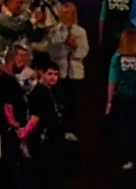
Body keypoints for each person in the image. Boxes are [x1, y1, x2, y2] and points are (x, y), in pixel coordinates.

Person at [106, 27, 136, 171]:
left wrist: (109, 102)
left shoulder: (117, 58)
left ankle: (127, 159)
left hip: (123, 97)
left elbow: (112, 81)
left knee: (125, 128)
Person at [22, 59, 62, 189]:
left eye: (56, 74)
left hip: (47, 139)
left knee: (44, 174)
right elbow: (35, 117)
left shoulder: (48, 92)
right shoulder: (39, 92)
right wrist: (25, 131)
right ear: (42, 74)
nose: (53, 78)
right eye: (50, 74)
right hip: (41, 139)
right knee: (40, 173)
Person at [46, 2, 87, 140]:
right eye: (62, 13)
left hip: (75, 73)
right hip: (60, 73)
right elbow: (52, 53)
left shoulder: (80, 32)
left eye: (67, 13)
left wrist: (74, 46)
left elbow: (83, 52)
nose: (64, 15)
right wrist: (64, 44)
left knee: (73, 103)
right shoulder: (54, 31)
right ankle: (57, 130)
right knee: (59, 102)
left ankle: (70, 130)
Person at [0, 46, 29, 189]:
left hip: (12, 128)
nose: (24, 63)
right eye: (21, 58)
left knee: (11, 161)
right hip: (11, 129)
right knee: (8, 161)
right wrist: (14, 123)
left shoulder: (10, 79)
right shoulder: (7, 80)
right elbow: (7, 105)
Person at [0, 0, 43, 67]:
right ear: (8, 2)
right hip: (5, 59)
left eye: (21, 3)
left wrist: (41, 23)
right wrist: (33, 19)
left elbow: (34, 37)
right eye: (17, 2)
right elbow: (16, 28)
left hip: (24, 60)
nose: (19, 5)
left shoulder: (24, 18)